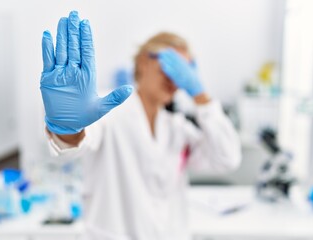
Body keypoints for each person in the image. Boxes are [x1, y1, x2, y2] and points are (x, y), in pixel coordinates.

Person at [40, 11, 241, 240]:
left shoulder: (177, 128)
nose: (176, 79)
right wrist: (67, 127)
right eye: (171, 65)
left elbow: (227, 158)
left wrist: (201, 96)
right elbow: (75, 144)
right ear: (144, 61)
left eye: (185, 73)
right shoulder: (109, 110)